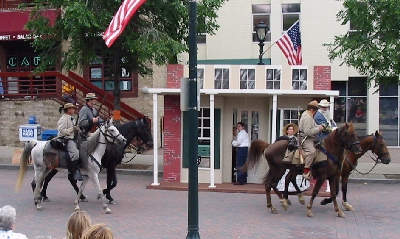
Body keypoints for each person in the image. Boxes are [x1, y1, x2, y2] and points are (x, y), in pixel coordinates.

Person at [298, 100, 324, 180]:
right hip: (306, 139)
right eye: (316, 110)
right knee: (312, 152)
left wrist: (319, 126)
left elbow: (313, 126)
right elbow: (307, 131)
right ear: (313, 110)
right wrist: (319, 129)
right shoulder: (308, 117)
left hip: (311, 137)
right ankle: (306, 170)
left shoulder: (308, 115)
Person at [58, 103, 83, 181]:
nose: (74, 110)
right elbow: (62, 131)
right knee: (76, 154)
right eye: (73, 109)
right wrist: (73, 129)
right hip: (66, 139)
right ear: (69, 110)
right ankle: (73, 171)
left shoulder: (72, 118)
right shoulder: (63, 119)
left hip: (74, 138)